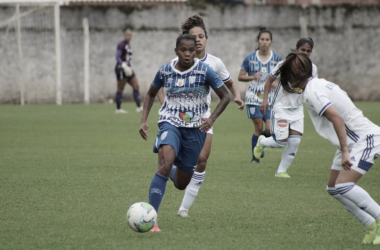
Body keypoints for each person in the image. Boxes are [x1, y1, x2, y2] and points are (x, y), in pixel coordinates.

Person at [273, 52, 380, 244]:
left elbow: (336, 118)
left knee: (344, 186)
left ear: (295, 75)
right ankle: (370, 224)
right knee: (333, 188)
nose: (286, 81)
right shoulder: (317, 84)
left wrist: (345, 151)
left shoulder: (312, 92)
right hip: (349, 142)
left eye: (287, 75)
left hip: (365, 139)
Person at [139, 34, 231, 232]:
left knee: (182, 183)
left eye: (191, 50)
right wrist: (144, 120)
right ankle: (152, 219)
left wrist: (212, 118)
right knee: (164, 163)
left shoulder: (205, 71)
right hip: (169, 122)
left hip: (195, 129)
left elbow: (226, 96)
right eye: (183, 50)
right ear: (176, 51)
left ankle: (172, 171)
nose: (187, 54)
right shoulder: (165, 70)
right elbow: (150, 93)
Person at [161, 15, 244, 218]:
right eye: (194, 36)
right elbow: (160, 83)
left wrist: (238, 97)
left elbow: (230, 83)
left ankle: (184, 209)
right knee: (183, 169)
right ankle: (173, 169)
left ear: (206, 38)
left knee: (202, 160)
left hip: (203, 117)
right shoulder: (177, 62)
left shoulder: (214, 63)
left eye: (201, 36)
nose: (197, 40)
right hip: (177, 118)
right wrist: (165, 103)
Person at [254, 38, 318, 178]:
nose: (305, 53)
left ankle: (281, 171)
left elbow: (313, 88)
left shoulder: (312, 68)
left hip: (297, 110)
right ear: (296, 49)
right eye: (303, 50)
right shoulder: (284, 64)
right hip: (281, 108)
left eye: (308, 51)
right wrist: (265, 100)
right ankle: (262, 141)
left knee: (294, 142)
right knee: (281, 142)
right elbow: (269, 80)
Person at [238, 27, 282, 163]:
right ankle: (254, 158)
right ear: (257, 41)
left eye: (267, 40)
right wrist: (252, 77)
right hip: (253, 98)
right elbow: (240, 76)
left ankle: (260, 144)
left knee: (269, 130)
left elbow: (283, 77)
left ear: (271, 42)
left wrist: (276, 82)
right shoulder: (250, 58)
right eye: (262, 39)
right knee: (258, 127)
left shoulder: (277, 59)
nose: (264, 42)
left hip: (270, 99)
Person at [114, 29, 143, 114]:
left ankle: (138, 107)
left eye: (130, 35)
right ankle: (118, 109)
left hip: (129, 69)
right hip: (122, 69)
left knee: (136, 85)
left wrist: (128, 67)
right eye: (127, 35)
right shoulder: (121, 44)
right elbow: (117, 56)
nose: (128, 37)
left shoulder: (129, 46)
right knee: (120, 88)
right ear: (124, 35)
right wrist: (123, 65)